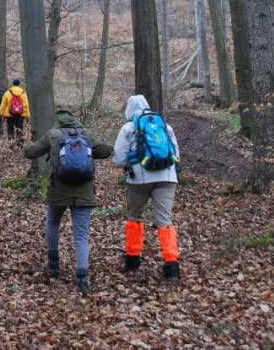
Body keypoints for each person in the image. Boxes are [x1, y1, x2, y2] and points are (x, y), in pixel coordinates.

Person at [24, 109, 113, 295]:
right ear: (75, 120)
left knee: (53, 223)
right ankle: (82, 278)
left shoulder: (53, 135)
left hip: (58, 190)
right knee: (81, 236)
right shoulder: (87, 134)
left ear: (58, 121)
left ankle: (53, 264)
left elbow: (30, 152)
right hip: (84, 192)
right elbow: (106, 151)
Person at [112, 95, 181, 282]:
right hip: (167, 178)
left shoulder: (129, 127)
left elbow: (119, 159)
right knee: (165, 220)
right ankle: (172, 266)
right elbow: (175, 153)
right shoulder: (165, 126)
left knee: (135, 217)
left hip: (139, 180)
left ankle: (133, 260)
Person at [0, 79, 30, 146]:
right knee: (20, 129)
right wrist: (28, 115)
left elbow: (3, 105)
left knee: (10, 129)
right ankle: (20, 144)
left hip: (9, 115)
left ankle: (11, 144)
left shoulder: (7, 93)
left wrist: (2, 114)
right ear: (19, 84)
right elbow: (27, 105)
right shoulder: (23, 93)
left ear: (13, 84)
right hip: (20, 115)